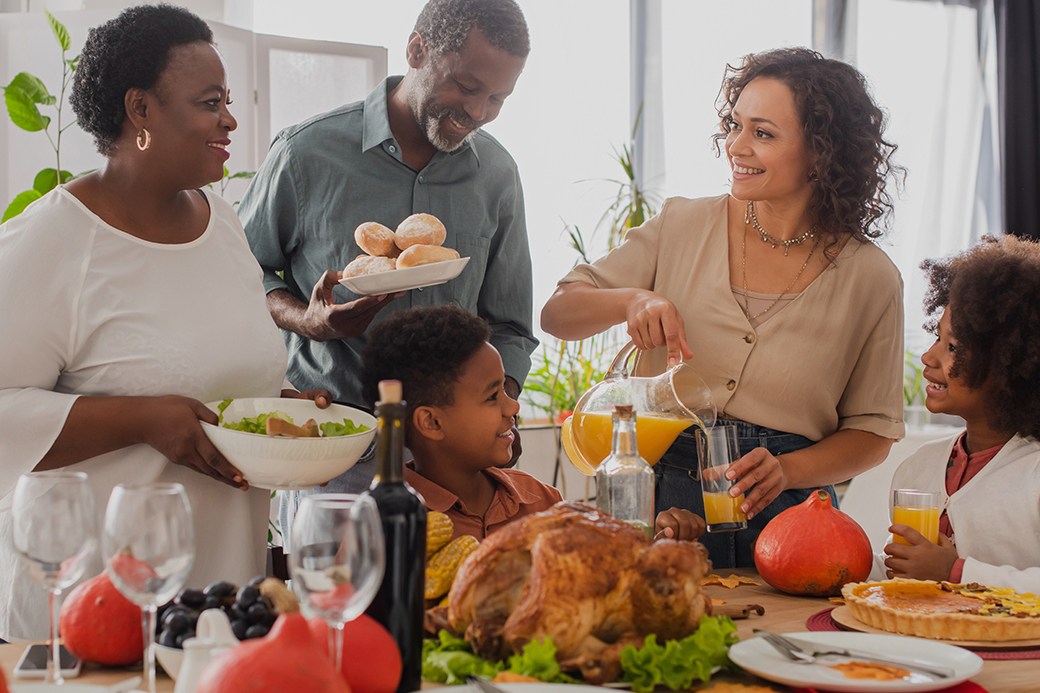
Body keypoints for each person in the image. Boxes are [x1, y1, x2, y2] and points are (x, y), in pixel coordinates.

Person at [0, 4, 327, 641]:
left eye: (227, 100)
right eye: (210, 102)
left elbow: (218, 377)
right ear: (140, 109)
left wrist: (279, 412)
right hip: (87, 608)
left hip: (216, 599)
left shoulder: (222, 222)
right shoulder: (53, 240)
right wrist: (143, 420)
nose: (230, 119)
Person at [541, 47, 906, 568]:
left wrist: (789, 470)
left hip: (791, 520)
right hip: (663, 507)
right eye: (735, 125)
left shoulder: (871, 277)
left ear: (821, 152)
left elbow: (872, 433)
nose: (736, 145)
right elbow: (558, 313)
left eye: (763, 133)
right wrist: (632, 299)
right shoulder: (682, 225)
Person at [238, 0, 538, 497]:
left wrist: (500, 407)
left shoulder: (497, 175)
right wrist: (307, 321)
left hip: (451, 465)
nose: (479, 112)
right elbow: (242, 275)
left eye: (498, 98)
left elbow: (509, 325)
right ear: (417, 50)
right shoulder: (306, 153)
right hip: (335, 452)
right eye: (467, 87)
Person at [362, 306, 706, 542]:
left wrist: (655, 545)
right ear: (432, 422)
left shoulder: (541, 501)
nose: (513, 406)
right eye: (492, 396)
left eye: (506, 389)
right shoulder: (381, 522)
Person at [882, 235, 1040, 592]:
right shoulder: (917, 469)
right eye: (936, 337)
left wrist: (956, 572)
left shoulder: (1034, 476)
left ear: (1012, 367)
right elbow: (903, 573)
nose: (928, 357)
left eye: (953, 347)